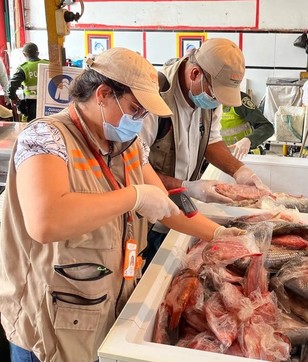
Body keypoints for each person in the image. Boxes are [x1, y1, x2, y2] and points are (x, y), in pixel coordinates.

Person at [0, 47, 243, 362]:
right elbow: (46, 222)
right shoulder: (45, 138)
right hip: (48, 320)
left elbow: (169, 206)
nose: (140, 120)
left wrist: (225, 237)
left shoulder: (128, 145)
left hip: (103, 308)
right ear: (102, 94)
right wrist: (134, 196)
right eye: (135, 109)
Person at [140, 38, 271, 267]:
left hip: (182, 212)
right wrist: (189, 187)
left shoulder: (208, 96)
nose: (216, 102)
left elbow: (212, 141)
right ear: (195, 74)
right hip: (148, 218)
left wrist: (239, 171)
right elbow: (134, 167)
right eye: (215, 94)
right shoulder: (153, 99)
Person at [221, 90, 274, 159]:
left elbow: (267, 127)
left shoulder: (239, 100)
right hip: (222, 154)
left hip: (245, 155)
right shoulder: (207, 104)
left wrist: (248, 140)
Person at [7, 42, 49, 121]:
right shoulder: (48, 64)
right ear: (38, 53)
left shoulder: (23, 68)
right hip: (48, 102)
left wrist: (13, 97)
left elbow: (12, 86)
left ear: (24, 54)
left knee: (32, 124)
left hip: (31, 104)